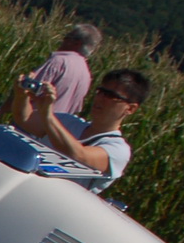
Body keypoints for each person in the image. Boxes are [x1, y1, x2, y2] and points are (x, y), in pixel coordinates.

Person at [11, 67, 149, 193]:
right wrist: (22, 95)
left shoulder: (118, 150)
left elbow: (79, 155)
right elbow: (24, 119)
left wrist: (47, 116)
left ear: (130, 108)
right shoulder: (68, 122)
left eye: (111, 96)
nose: (100, 98)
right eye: (101, 92)